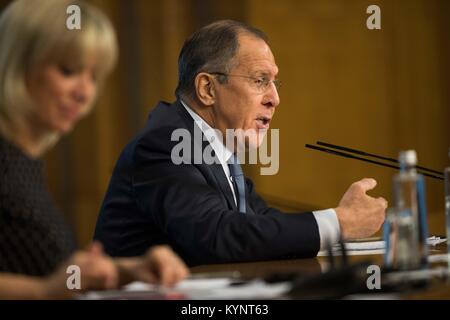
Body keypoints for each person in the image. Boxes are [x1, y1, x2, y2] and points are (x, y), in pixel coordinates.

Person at [94, 20, 387, 266]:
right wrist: (339, 223)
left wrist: (338, 224)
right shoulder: (167, 143)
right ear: (207, 88)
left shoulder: (216, 145)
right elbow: (218, 236)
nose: (275, 98)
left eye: (274, 83)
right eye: (260, 80)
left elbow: (259, 222)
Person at [0, 0, 188, 299]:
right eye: (69, 70)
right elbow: (45, 285)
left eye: (93, 77)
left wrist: (124, 270)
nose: (85, 93)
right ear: (18, 62)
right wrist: (42, 292)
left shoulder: (24, 163)